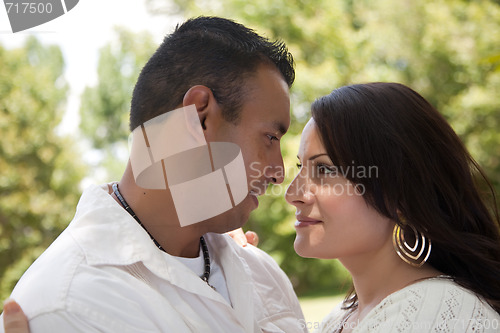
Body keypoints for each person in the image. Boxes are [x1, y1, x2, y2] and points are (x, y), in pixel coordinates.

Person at [0, 16, 306, 332]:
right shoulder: (71, 306)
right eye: (270, 137)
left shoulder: (263, 274)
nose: (278, 173)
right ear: (198, 118)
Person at [285, 82, 500, 332]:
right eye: (301, 167)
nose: (292, 194)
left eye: (324, 169)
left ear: (400, 195)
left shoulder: (435, 314)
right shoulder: (339, 319)